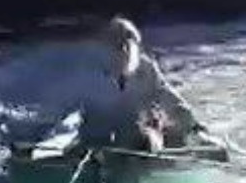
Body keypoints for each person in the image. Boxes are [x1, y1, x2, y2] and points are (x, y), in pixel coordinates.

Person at [79, 17, 199, 151]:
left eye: (127, 44)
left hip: (139, 135)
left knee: (144, 138)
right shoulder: (92, 73)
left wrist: (188, 119)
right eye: (117, 45)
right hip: (99, 138)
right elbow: (76, 106)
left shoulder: (146, 69)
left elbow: (165, 94)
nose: (124, 50)